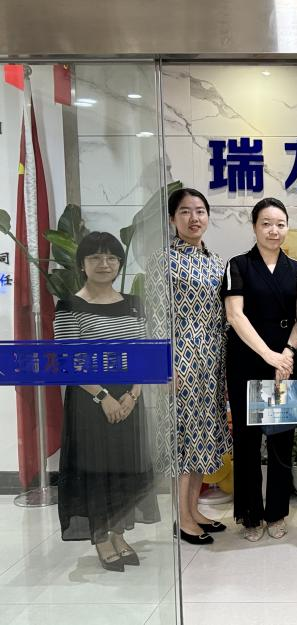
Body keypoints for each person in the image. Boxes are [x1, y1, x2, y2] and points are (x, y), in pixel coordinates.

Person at [54, 232, 160, 571]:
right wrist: (103, 397)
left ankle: (118, 532)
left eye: (112, 257)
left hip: (130, 397)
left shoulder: (133, 303)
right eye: (95, 257)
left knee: (124, 468)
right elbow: (68, 361)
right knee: (96, 471)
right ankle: (101, 537)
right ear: (82, 264)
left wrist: (133, 394)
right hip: (91, 401)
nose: (104, 264)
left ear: (119, 263)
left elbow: (143, 353)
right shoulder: (70, 305)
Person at [223, 198, 297, 542]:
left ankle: (277, 514)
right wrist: (269, 355)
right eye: (266, 224)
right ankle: (250, 516)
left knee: (281, 440)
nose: (274, 230)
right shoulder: (238, 264)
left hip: (284, 363)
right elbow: (234, 315)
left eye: (280, 224)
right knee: (246, 441)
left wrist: (287, 352)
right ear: (254, 226)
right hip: (248, 360)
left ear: (287, 227)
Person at [156, 188, 231, 546]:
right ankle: (182, 519)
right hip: (181, 358)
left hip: (212, 360)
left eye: (200, 211)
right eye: (185, 212)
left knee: (204, 436)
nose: (194, 218)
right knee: (184, 439)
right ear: (173, 219)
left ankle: (194, 510)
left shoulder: (216, 262)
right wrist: (164, 365)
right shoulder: (164, 260)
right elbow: (156, 316)